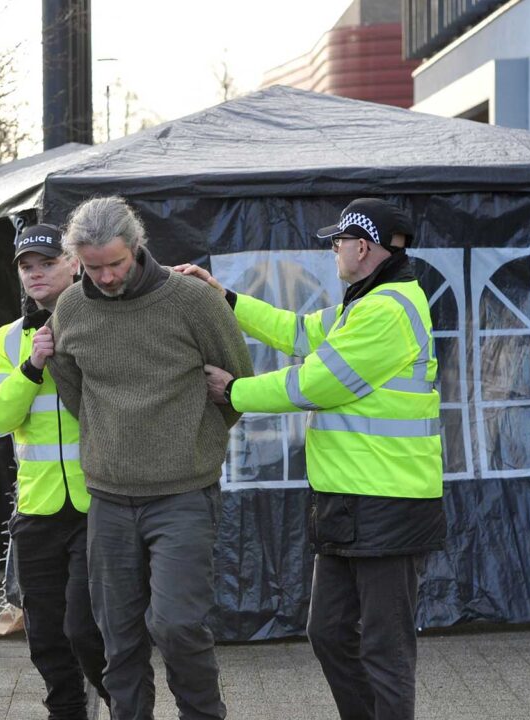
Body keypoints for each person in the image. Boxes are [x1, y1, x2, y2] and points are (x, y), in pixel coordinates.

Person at [188, 198, 444, 720]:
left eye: (337, 242)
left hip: (388, 502)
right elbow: (300, 333)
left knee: (384, 648)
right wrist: (226, 299)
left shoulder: (387, 311)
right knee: (327, 632)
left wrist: (234, 392)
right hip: (350, 500)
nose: (333, 251)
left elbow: (315, 383)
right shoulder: (366, 303)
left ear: (363, 246)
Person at [47, 196, 252, 720]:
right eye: (93, 268)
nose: (107, 276)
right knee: (118, 637)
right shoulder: (71, 307)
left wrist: (188, 441)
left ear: (136, 247)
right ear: (76, 262)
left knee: (178, 625)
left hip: (182, 494)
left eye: (114, 263)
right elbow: (74, 389)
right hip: (109, 499)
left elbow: (238, 384)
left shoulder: (192, 301)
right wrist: (112, 440)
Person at [0, 224, 108, 720]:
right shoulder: (9, 340)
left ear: (74, 264)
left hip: (98, 502)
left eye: (46, 264)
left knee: (84, 628)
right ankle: (66, 712)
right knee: (47, 635)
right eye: (27, 267)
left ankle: (124, 703)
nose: (35, 274)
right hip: (37, 509)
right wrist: (32, 368)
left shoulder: (102, 322)